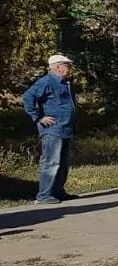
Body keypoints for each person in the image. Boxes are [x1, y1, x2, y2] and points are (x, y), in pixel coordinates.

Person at [21, 54, 77, 204]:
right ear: (58, 67)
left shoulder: (66, 82)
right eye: (67, 65)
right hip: (53, 129)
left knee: (63, 163)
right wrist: (39, 117)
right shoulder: (46, 82)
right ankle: (44, 195)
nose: (69, 68)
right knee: (51, 162)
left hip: (65, 128)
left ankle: (58, 191)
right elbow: (27, 98)